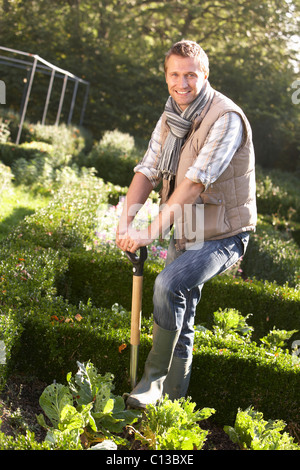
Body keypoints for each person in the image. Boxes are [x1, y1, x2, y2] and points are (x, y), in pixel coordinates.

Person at [116, 40, 257, 409]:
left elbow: (194, 183)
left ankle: (152, 381)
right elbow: (147, 170)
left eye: (190, 75)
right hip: (192, 221)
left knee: (168, 284)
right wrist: (125, 222)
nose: (183, 83)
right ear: (166, 78)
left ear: (205, 75)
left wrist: (149, 231)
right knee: (182, 308)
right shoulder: (171, 116)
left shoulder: (226, 118)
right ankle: (173, 404)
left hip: (227, 230)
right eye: (175, 74)